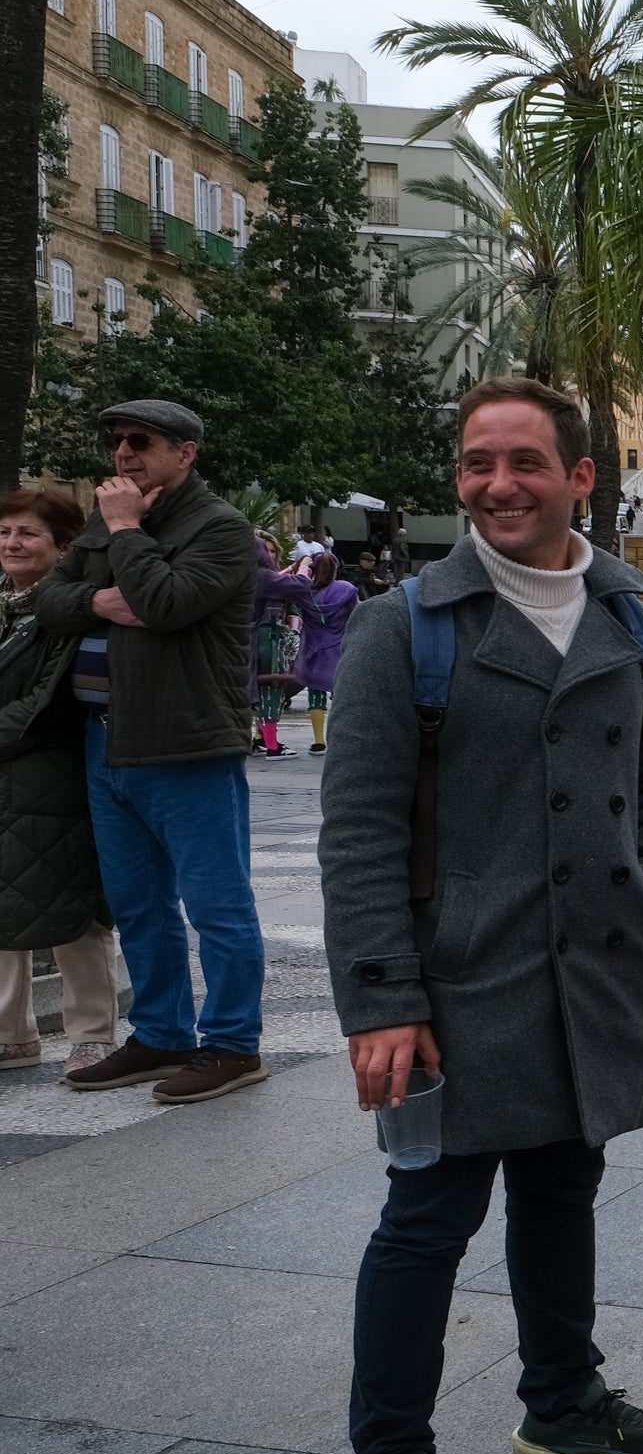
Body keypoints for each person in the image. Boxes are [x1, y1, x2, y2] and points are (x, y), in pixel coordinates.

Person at [319, 375, 643, 1454]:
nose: (498, 485)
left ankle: (563, 1403)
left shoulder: (627, 613)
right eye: (478, 463)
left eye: (525, 462)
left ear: (582, 477)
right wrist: (380, 998)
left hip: (594, 975)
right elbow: (360, 827)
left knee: (562, 1184)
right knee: (426, 1221)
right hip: (456, 983)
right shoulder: (408, 626)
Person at [35, 399, 268, 1105]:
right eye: (116, 443)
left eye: (141, 441)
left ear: (186, 452)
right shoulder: (104, 525)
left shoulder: (220, 528)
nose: (124, 454)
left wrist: (129, 529)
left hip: (186, 741)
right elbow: (46, 596)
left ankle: (233, 1044)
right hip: (107, 741)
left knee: (216, 903)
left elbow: (166, 603)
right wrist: (100, 602)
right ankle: (162, 1033)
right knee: (138, 905)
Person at [0, 488, 123, 1075]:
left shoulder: (62, 610)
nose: (11, 543)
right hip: (4, 770)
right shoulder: (2, 605)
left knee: (72, 901)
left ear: (62, 545)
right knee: (4, 899)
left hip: (53, 772)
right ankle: (10, 1033)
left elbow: (44, 701)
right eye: (4, 533)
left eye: (26, 533)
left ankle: (93, 1033)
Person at [252, 533, 313, 758]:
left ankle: (260, 739)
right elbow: (301, 585)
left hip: (253, 637)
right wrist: (305, 565)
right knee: (271, 688)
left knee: (259, 689)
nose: (269, 554)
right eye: (264, 550)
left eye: (272, 550)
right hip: (267, 638)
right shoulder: (264, 577)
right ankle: (272, 745)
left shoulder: (253, 575)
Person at [293, 553, 360, 755]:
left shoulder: (305, 592)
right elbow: (357, 613)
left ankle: (319, 741)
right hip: (340, 647)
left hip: (313, 648)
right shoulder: (346, 590)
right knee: (341, 694)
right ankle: (341, 737)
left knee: (315, 693)